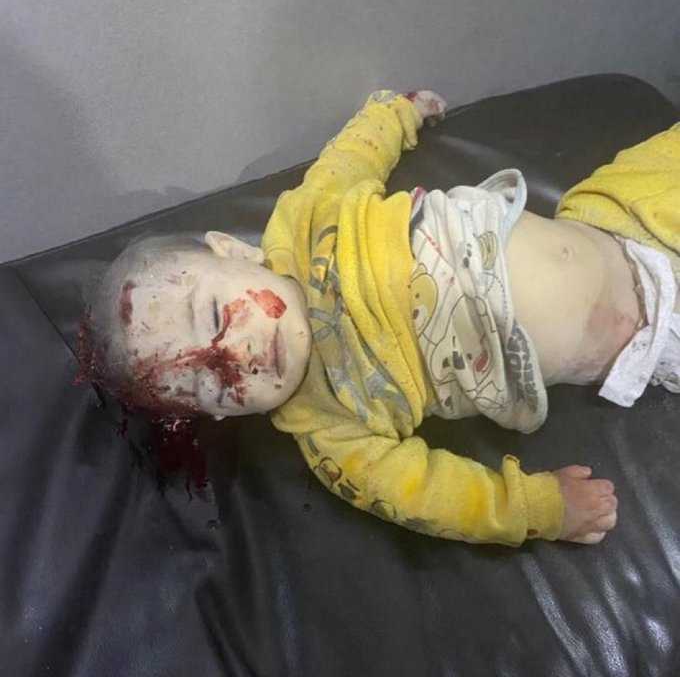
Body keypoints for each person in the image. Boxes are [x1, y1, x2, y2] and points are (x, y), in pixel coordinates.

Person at [82, 89, 680, 548]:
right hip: (647, 334)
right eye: (208, 383)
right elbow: (433, 498)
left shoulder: (305, 218)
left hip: (615, 214)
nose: (236, 355)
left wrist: (394, 113)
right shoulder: (332, 436)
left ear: (234, 251)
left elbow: (349, 160)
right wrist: (540, 509)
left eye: (214, 313)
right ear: (219, 414)